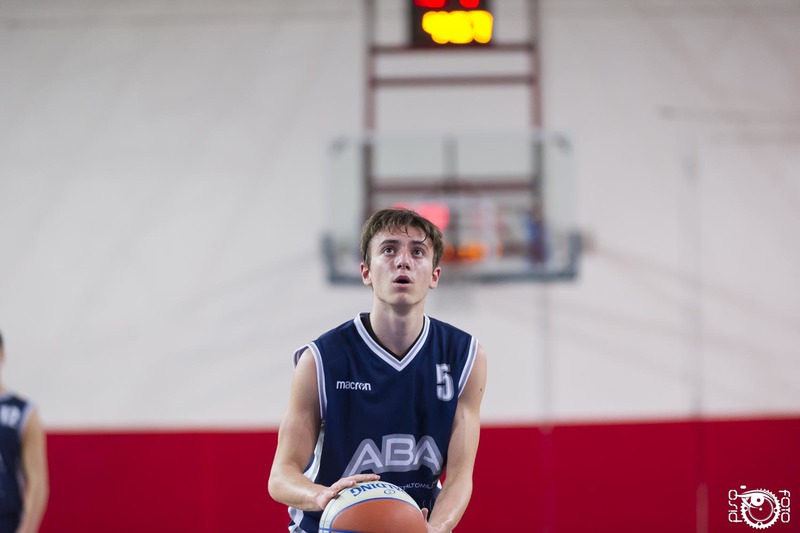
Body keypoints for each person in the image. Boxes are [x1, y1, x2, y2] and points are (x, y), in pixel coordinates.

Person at [269, 208, 487, 533]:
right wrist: (321, 496)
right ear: (366, 272)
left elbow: (458, 476)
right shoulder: (321, 360)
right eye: (389, 250)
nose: (403, 262)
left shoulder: (465, 356)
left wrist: (437, 528)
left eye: (418, 252)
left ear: (435, 275)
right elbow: (281, 476)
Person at [0, 331, 49, 533]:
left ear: (1, 354)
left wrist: (27, 529)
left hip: (7, 520)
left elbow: (37, 481)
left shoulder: (23, 412)